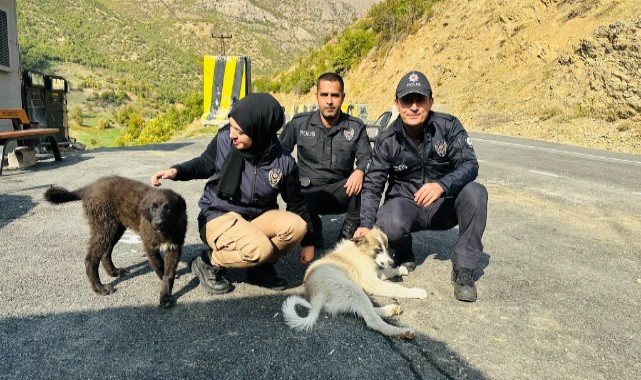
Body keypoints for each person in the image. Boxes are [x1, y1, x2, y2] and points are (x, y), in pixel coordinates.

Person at [151, 93, 315, 295]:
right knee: (260, 248)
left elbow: (296, 203)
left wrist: (309, 243)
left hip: (257, 218)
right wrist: (176, 171)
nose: (232, 134)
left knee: (297, 226)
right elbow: (204, 163)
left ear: (260, 130)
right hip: (219, 215)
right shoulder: (224, 141)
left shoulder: (284, 162)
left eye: (239, 130)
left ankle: (258, 268)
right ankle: (208, 262)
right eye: (231, 127)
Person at [354, 71, 488, 302]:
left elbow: (470, 164)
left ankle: (464, 270)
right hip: (408, 206)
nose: (414, 107)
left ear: (430, 101)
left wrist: (442, 185)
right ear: (397, 104)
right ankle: (404, 250)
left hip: (445, 206)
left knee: (476, 193)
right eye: (407, 100)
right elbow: (373, 185)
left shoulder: (448, 126)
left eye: (420, 100)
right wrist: (366, 225)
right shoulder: (388, 140)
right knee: (388, 221)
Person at [279, 72, 372, 248]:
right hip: (308, 191)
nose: (329, 101)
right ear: (317, 96)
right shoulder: (299, 124)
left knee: (368, 182)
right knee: (294, 204)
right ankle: (313, 229)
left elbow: (367, 158)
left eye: (335, 95)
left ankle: (346, 237)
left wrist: (360, 171)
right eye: (324, 95)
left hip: (341, 191)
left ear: (342, 97)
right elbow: (280, 154)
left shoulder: (355, 127)